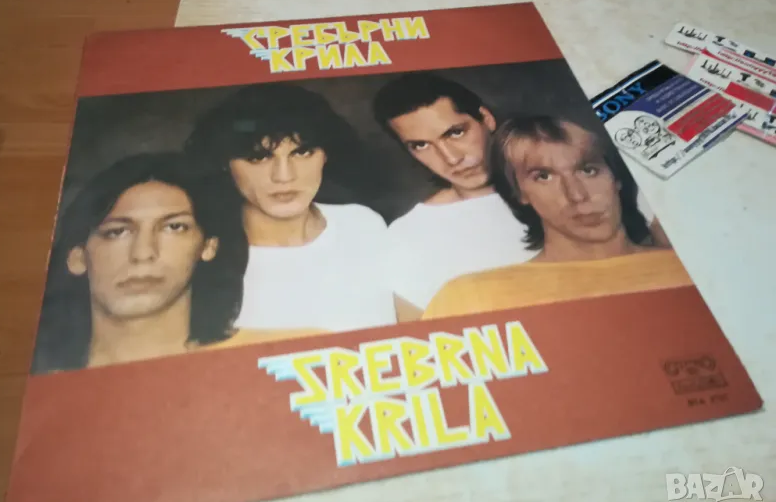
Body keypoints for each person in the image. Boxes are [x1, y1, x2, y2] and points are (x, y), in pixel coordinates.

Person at [372, 72, 671, 322]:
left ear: (486, 118)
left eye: (456, 133)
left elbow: (675, 273)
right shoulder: (408, 233)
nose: (451, 158)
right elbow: (422, 340)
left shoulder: (589, 180)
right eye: (421, 145)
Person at [423, 115, 694, 320]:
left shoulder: (689, 269)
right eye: (544, 176)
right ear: (518, 193)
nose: (576, 195)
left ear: (616, 178)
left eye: (588, 170)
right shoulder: (468, 297)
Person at [184, 82, 397, 334]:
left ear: (326, 154)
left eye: (302, 152)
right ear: (224, 163)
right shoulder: (203, 255)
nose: (284, 176)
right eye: (258, 157)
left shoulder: (363, 224)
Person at [31, 153, 252, 374]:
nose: (143, 253)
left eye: (174, 227)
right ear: (77, 258)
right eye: (117, 232)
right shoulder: (45, 379)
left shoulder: (248, 362)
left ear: (208, 247)